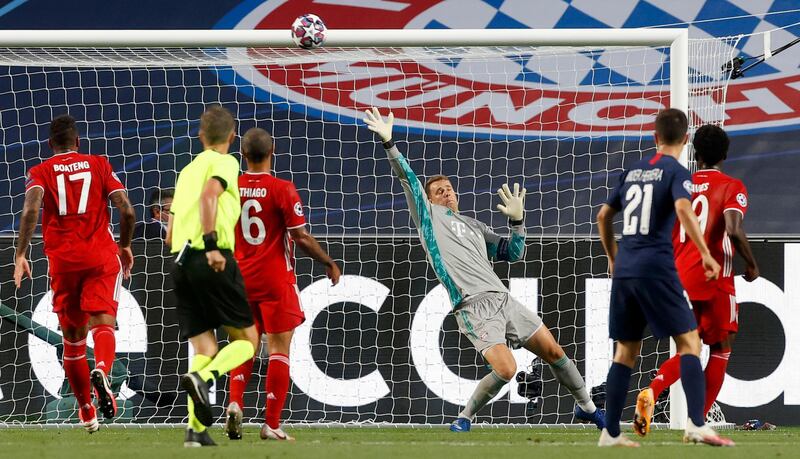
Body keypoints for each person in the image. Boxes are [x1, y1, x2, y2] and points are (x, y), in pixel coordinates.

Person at [363, 107, 604, 432]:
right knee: (506, 369)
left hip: (503, 300)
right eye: (439, 191)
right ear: (429, 200)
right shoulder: (429, 219)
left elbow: (514, 253)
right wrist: (390, 143)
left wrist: (518, 222)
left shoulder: (475, 226)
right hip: (473, 306)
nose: (447, 192)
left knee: (554, 350)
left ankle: (587, 408)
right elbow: (407, 177)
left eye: (449, 188)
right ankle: (464, 418)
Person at [595, 109, 733, 447]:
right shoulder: (676, 171)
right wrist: (704, 253)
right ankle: (697, 424)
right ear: (685, 140)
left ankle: (610, 432)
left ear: (654, 138)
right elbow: (684, 210)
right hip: (656, 268)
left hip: (625, 268)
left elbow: (602, 216)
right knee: (691, 343)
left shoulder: (632, 171)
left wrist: (613, 257)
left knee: (625, 351)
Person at [13, 114, 135, 432]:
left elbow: (30, 208)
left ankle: (86, 412)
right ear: (78, 142)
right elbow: (127, 209)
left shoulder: (41, 171)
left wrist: (21, 253)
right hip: (100, 257)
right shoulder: (98, 164)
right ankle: (104, 373)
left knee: (73, 344)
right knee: (104, 323)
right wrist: (124, 246)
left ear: (50, 144)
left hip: (64, 264)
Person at [634, 124, 759, 436]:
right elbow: (732, 227)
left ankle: (653, 389)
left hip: (678, 280)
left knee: (688, 349)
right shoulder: (732, 186)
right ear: (725, 154)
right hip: (715, 278)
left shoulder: (680, 185)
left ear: (694, 153)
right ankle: (697, 424)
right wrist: (752, 264)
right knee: (720, 349)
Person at [224, 127, 341, 441]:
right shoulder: (282, 188)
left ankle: (235, 402)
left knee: (243, 346)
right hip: (276, 279)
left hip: (239, 279)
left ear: (243, 154)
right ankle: (271, 424)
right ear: (273, 150)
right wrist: (327, 261)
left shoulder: (230, 188)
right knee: (279, 350)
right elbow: (300, 237)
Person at [166, 105, 259, 447]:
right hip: (211, 256)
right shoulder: (226, 162)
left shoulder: (187, 170)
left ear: (201, 136)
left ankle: (195, 431)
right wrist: (210, 244)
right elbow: (210, 195)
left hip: (179, 262)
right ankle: (204, 377)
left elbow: (170, 231)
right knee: (248, 341)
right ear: (232, 137)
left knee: (205, 344)